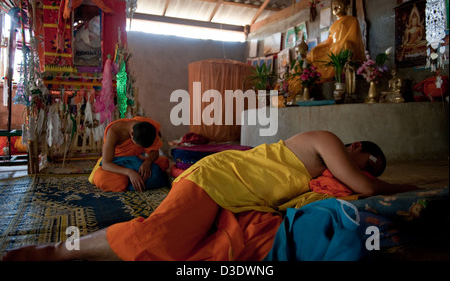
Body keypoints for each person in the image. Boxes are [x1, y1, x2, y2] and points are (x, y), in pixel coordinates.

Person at [2, 130, 418, 261]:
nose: (367, 173)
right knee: (158, 239)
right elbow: (363, 187)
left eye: (374, 173)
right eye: (369, 164)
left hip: (240, 202)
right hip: (218, 179)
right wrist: (395, 187)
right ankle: (59, 249)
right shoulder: (327, 140)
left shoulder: (325, 176)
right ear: (356, 149)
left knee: (206, 253)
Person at [88, 116, 169, 192]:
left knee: (162, 164)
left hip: (135, 161)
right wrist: (130, 172)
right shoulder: (113, 132)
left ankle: (134, 182)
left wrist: (147, 162)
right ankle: (133, 181)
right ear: (131, 134)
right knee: (107, 180)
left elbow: (154, 152)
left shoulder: (146, 127)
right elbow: (106, 164)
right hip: (117, 163)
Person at [306, 0, 365, 82]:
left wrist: (339, 45)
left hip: (344, 47)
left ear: (346, 7)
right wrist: (318, 47)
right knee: (315, 52)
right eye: (334, 5)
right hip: (333, 47)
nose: (335, 7)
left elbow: (352, 37)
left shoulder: (352, 20)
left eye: (339, 5)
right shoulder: (333, 25)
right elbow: (330, 40)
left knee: (345, 45)